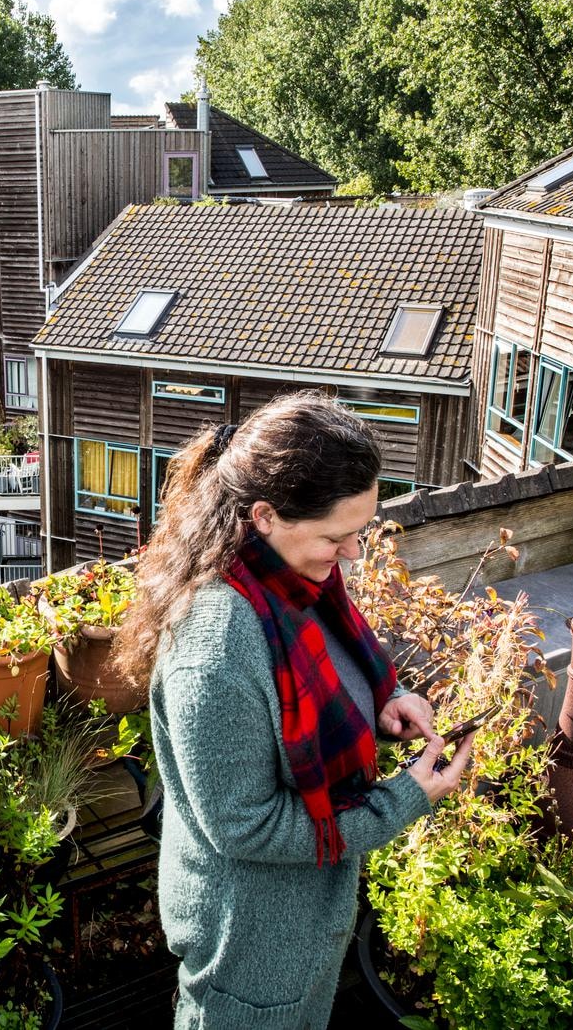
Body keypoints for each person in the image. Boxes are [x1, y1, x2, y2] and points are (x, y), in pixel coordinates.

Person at [112, 392, 474, 1029]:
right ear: (264, 515)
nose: (356, 553)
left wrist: (384, 703)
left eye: (361, 530)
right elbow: (245, 828)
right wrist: (405, 798)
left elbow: (316, 694)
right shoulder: (217, 643)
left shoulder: (294, 581)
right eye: (339, 536)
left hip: (302, 913)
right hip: (248, 939)